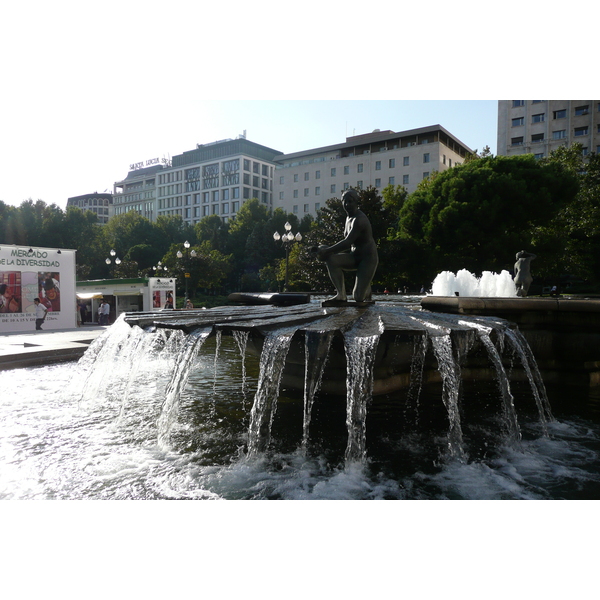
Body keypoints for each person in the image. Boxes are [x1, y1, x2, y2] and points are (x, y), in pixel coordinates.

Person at [314, 189, 379, 303]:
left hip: (367, 259)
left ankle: (366, 288)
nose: (347, 204)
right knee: (332, 260)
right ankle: (341, 295)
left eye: (350, 201)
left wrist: (328, 250)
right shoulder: (348, 218)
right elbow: (347, 243)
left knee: (358, 297)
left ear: (356, 202)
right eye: (345, 201)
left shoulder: (359, 220)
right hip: (354, 256)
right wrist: (326, 251)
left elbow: (348, 242)